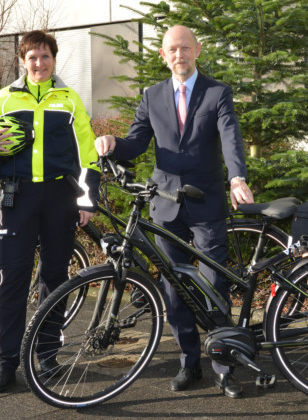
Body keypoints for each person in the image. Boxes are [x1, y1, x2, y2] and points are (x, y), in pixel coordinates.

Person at [94, 25, 254, 399]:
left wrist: (237, 179)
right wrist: (114, 142)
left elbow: (230, 137)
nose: (179, 55)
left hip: (206, 202)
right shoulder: (152, 96)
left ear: (197, 50)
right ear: (163, 56)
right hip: (165, 206)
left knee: (214, 284)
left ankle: (223, 366)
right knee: (173, 288)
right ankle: (189, 361)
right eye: (172, 50)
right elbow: (136, 143)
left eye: (185, 48)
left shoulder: (217, 93)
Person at [0, 30, 100, 393]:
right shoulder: (5, 98)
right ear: (22, 62)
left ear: (53, 59)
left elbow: (87, 156)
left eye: (45, 57)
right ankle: (5, 361)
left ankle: (46, 354)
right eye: (32, 58)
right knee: (13, 278)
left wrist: (86, 201)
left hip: (60, 196)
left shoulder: (69, 100)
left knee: (55, 277)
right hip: (18, 197)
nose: (39, 64)